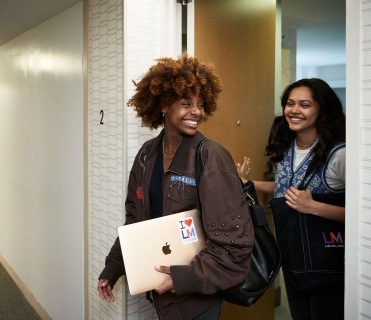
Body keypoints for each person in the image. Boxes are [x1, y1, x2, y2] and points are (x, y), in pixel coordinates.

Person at [97, 54, 255, 320]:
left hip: (197, 300)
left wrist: (183, 278)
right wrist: (113, 268)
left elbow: (235, 245)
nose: (197, 112)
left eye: (201, 104)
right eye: (186, 103)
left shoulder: (210, 157)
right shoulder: (147, 155)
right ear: (163, 106)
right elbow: (135, 221)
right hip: (161, 295)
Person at [237, 78, 346, 320]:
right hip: (292, 259)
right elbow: (286, 188)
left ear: (322, 109)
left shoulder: (339, 154)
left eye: (304, 104)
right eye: (290, 103)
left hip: (328, 264)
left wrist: (313, 207)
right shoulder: (288, 147)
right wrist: (249, 184)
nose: (294, 110)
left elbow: (362, 215)